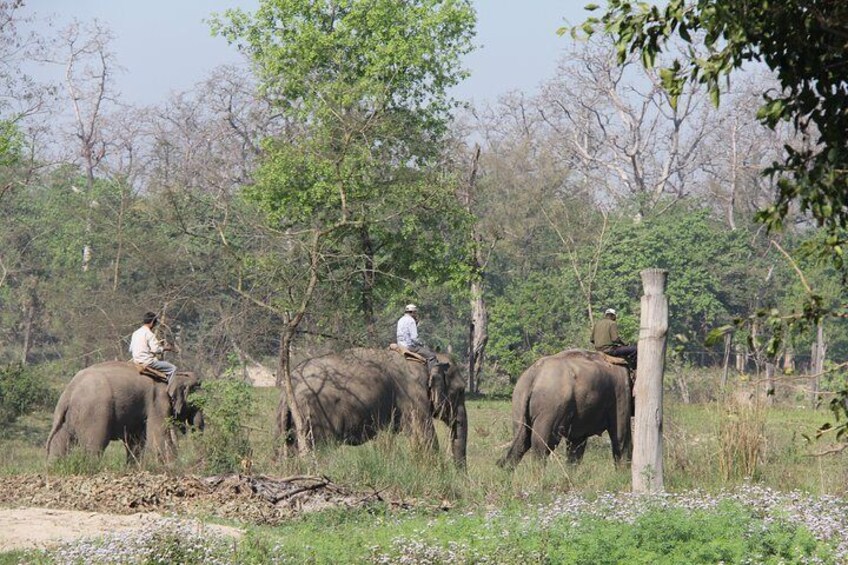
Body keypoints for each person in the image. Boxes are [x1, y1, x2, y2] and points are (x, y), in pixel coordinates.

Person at [130, 311, 176, 382]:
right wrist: (166, 348)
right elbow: (155, 350)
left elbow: (131, 349)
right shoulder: (149, 334)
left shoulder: (135, 333)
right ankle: (171, 391)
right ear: (152, 323)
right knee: (173, 369)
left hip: (136, 361)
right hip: (147, 362)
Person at [396, 304, 438, 370]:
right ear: (412, 312)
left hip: (400, 345)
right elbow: (414, 338)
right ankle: (433, 376)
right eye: (415, 312)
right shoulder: (411, 321)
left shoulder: (400, 320)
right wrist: (422, 343)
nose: (416, 314)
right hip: (409, 346)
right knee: (432, 356)